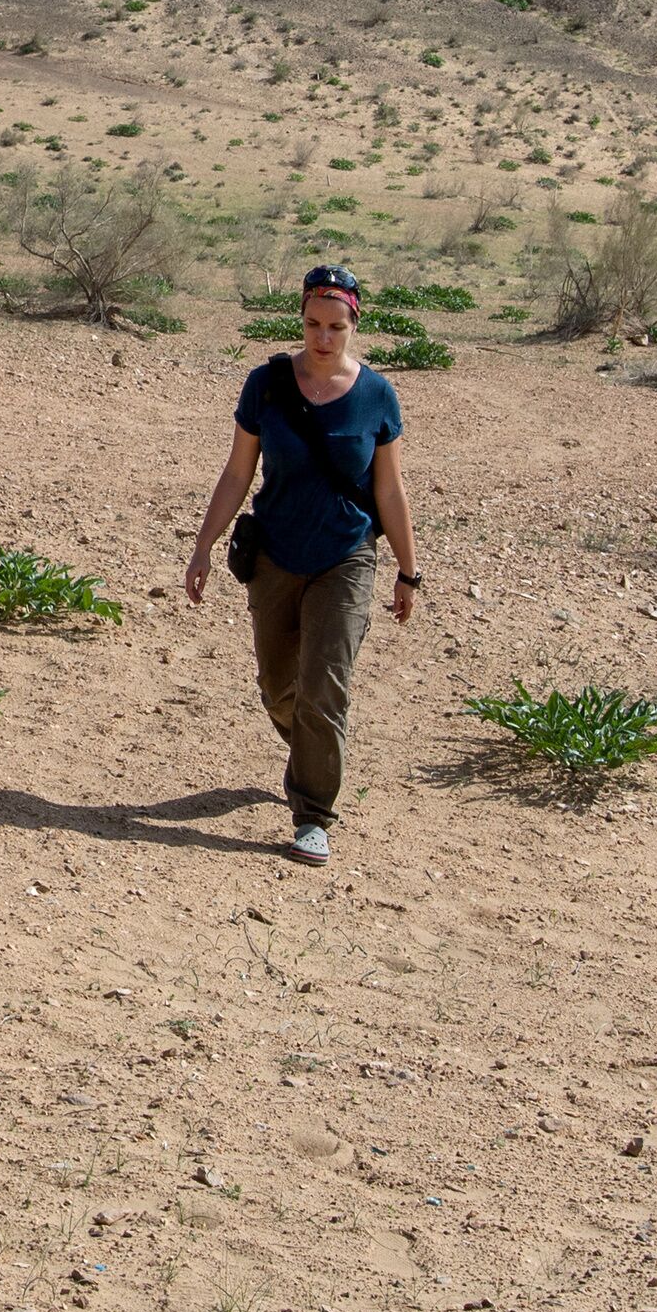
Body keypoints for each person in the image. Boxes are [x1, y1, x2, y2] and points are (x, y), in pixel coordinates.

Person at [180, 264, 423, 867]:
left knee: (324, 688)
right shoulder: (266, 385)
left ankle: (313, 814)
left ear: (354, 324)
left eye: (335, 326)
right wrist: (203, 545)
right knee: (277, 687)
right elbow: (238, 472)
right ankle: (315, 747)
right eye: (313, 324)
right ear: (302, 320)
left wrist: (408, 570)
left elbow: (390, 491)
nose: (322, 338)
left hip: (346, 556)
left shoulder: (376, 396)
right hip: (275, 556)